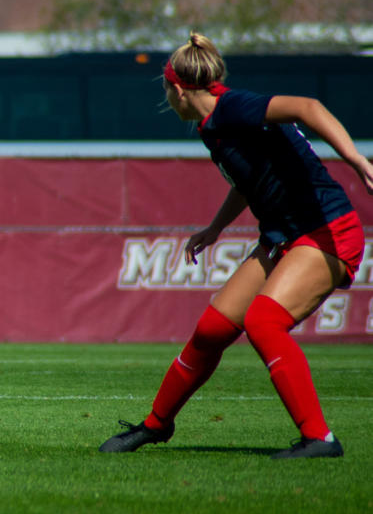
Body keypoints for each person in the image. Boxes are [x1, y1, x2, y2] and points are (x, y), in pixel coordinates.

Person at [101, 32, 372, 459]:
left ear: (177, 89)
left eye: (165, 90)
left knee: (264, 322)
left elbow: (308, 107)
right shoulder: (214, 126)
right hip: (282, 237)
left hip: (326, 231)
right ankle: (155, 426)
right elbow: (248, 185)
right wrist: (214, 229)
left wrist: (356, 160)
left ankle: (321, 439)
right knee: (211, 330)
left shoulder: (232, 106)